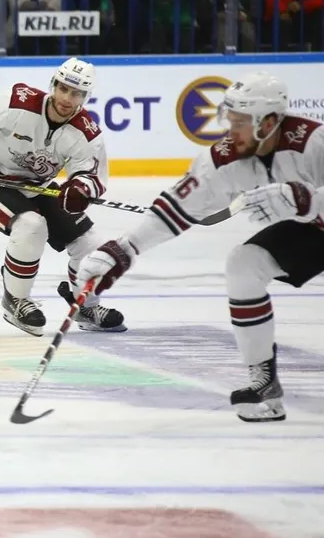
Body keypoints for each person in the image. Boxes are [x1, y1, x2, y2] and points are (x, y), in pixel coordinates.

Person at [76, 73, 324, 423]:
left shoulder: (314, 142)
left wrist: (309, 200)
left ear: (268, 123)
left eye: (240, 122)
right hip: (313, 231)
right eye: (230, 120)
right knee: (244, 265)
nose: (231, 131)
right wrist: (124, 249)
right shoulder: (224, 159)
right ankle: (264, 383)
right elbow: (176, 210)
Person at [0, 57, 126, 336]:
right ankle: (16, 300)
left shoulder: (85, 133)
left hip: (34, 185)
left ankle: (86, 305)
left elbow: (90, 175)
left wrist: (80, 189)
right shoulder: (17, 102)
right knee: (31, 225)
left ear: (85, 97)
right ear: (53, 85)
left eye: (76, 93)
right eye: (63, 89)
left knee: (90, 242)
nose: (67, 99)